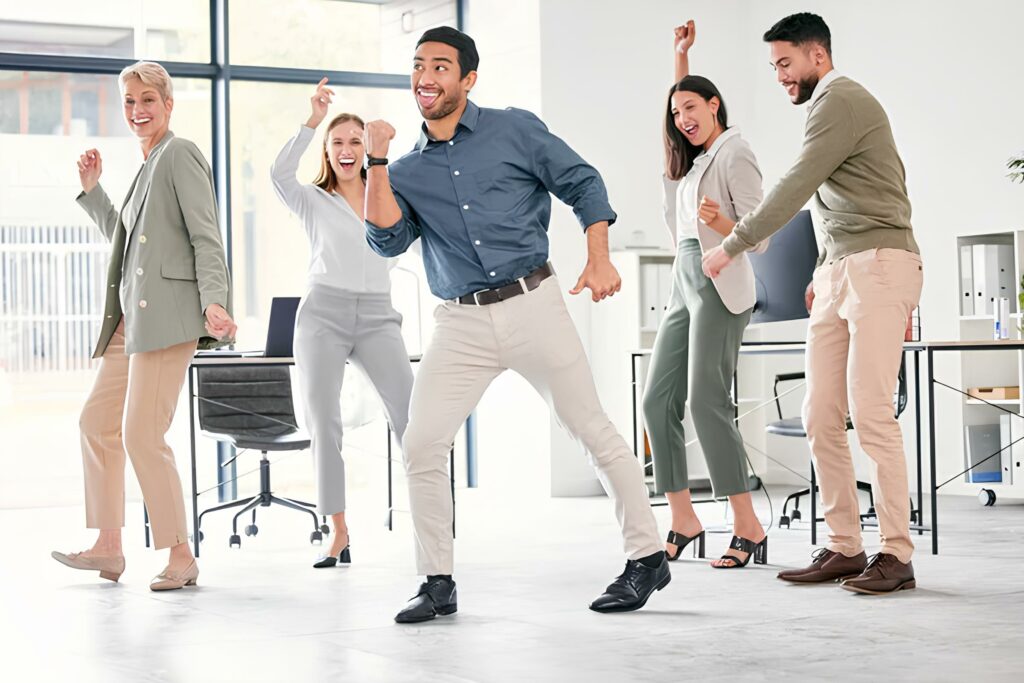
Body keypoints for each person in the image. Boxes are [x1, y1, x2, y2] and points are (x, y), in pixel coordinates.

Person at [363, 26, 668, 623]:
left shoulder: (514, 129)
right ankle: (437, 581)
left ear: (468, 78)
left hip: (534, 303)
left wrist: (599, 255)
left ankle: (647, 557)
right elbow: (386, 240)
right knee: (423, 442)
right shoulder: (402, 170)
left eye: (441, 66)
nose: (426, 76)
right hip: (460, 322)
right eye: (419, 65)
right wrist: (375, 158)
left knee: (592, 430)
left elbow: (583, 181)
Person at [701, 13, 923, 595]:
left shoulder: (839, 99)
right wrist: (824, 267)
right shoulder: (828, 108)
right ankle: (845, 547)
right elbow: (839, 195)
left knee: (871, 412)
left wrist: (732, 245)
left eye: (784, 63)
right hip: (842, 271)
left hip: (879, 263)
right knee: (819, 413)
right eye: (773, 66)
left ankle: (896, 554)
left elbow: (799, 182)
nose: (778, 76)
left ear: (816, 56)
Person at [53, 61, 236, 591]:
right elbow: (126, 241)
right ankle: (109, 547)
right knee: (95, 422)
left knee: (141, 434)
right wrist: (94, 192)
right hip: (128, 323)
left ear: (168, 104)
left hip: (167, 320)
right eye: (130, 102)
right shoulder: (146, 166)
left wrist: (215, 302)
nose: (138, 110)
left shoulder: (178, 154)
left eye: (147, 100)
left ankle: (181, 554)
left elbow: (207, 236)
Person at [270, 78, 414, 568]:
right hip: (322, 316)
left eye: (355, 141)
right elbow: (279, 173)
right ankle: (338, 530)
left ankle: (430, 520)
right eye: (338, 143)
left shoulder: (387, 195)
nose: (347, 150)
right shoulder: (312, 199)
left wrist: (386, 150)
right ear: (328, 153)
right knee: (324, 423)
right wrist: (312, 119)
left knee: (412, 419)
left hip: (377, 315)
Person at [643, 20, 769, 569]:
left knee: (706, 402)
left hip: (719, 280)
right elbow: (677, 108)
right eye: (676, 113)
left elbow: (761, 231)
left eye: (693, 107)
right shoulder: (691, 163)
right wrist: (679, 58)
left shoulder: (736, 153)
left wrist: (724, 224)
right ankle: (683, 516)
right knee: (655, 401)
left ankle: (748, 524)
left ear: (715, 105)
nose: (683, 119)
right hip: (682, 281)